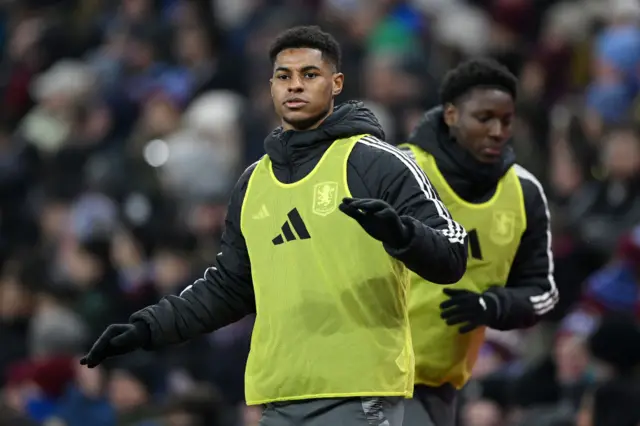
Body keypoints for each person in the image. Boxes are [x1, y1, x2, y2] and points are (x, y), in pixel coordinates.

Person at [80, 26, 468, 426]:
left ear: (336, 84)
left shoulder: (375, 161)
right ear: (271, 86)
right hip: (279, 398)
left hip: (358, 392)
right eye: (284, 76)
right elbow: (229, 289)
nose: (295, 86)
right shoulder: (253, 182)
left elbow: (453, 252)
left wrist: (404, 235)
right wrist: (147, 329)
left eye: (309, 75)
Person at [398, 58, 559, 426]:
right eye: (484, 118)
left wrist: (493, 305)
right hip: (369, 371)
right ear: (452, 115)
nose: (497, 131)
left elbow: (542, 291)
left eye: (506, 120)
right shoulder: (400, 170)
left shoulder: (524, 192)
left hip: (441, 381)